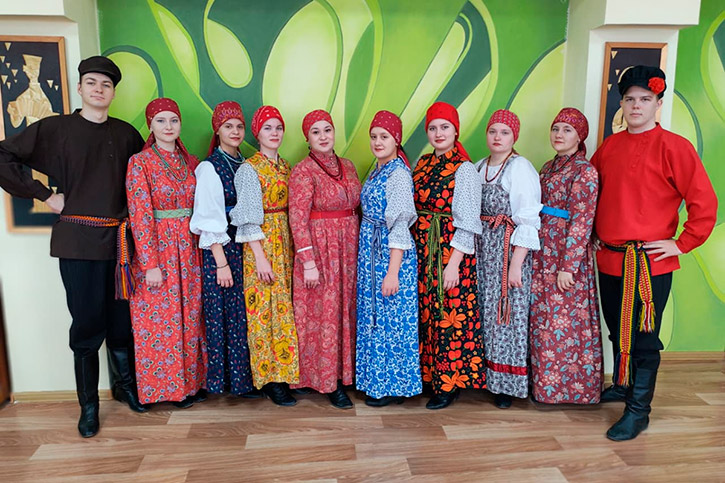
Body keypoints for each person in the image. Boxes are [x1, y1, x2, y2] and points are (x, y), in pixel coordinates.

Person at [0, 56, 147, 438]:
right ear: (80, 88)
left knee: (121, 322)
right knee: (86, 324)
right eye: (92, 83)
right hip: (78, 244)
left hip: (121, 245)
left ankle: (125, 388)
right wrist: (44, 195)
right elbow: (3, 156)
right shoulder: (56, 129)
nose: (99, 89)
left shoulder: (127, 134)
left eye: (106, 84)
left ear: (113, 93)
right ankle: (89, 406)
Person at [592, 66, 717, 441]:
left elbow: (704, 203)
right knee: (617, 329)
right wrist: (593, 232)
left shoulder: (675, 147)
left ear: (658, 103)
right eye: (630, 99)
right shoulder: (609, 147)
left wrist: (681, 243)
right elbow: (591, 194)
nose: (636, 106)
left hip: (648, 264)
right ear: (621, 103)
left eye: (645, 99)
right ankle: (623, 384)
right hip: (610, 259)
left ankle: (638, 411)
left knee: (644, 337)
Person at [126, 98, 207, 408]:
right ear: (150, 125)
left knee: (191, 315)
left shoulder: (192, 162)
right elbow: (140, 214)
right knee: (161, 319)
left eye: (174, 120)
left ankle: (191, 385)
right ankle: (164, 389)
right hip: (159, 248)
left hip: (190, 247)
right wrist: (150, 264)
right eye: (161, 120)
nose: (168, 126)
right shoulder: (140, 162)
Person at [412, 101, 485, 410]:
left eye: (445, 127)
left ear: (456, 131)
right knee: (426, 312)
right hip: (422, 249)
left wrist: (453, 264)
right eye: (432, 128)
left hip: (449, 250)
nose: (438, 133)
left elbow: (468, 221)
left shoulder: (464, 169)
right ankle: (428, 376)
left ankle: (449, 383)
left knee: (448, 314)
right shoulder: (423, 163)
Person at [288, 109, 361, 409]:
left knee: (346, 310)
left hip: (349, 248)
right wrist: (308, 261)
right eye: (315, 132)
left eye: (327, 130)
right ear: (307, 138)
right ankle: (327, 381)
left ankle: (346, 374)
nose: (323, 136)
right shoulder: (303, 170)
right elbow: (297, 218)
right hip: (320, 250)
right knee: (325, 315)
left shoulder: (348, 165)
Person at [529, 107, 602, 405]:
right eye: (555, 128)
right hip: (542, 250)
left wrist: (569, 266)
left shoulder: (585, 171)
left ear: (579, 136)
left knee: (564, 322)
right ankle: (542, 387)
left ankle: (573, 390)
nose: (559, 134)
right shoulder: (548, 167)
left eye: (567, 130)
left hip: (564, 254)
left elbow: (583, 220)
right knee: (543, 318)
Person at [230, 105, 300, 406]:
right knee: (264, 312)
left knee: (284, 310)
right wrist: (259, 257)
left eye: (279, 127)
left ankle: (286, 372)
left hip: (285, 241)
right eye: (268, 128)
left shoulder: (286, 167)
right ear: (257, 133)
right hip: (262, 243)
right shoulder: (250, 169)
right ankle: (270, 379)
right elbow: (247, 218)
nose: (274, 133)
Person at [190, 101, 257, 399]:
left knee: (242, 313)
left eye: (239, 126)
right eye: (228, 126)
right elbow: (208, 217)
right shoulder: (209, 168)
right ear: (217, 130)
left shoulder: (245, 163)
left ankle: (244, 381)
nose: (235, 131)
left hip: (244, 244)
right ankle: (226, 382)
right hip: (222, 247)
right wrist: (220, 262)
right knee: (223, 313)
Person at [475, 109, 541, 409]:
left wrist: (515, 265)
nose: (497, 137)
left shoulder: (520, 168)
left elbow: (527, 218)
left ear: (514, 137)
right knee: (486, 313)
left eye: (504, 132)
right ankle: (487, 377)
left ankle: (507, 385)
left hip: (507, 250)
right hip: (482, 250)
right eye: (493, 131)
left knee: (507, 314)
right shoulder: (479, 167)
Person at [356, 110, 421, 407]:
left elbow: (399, 225)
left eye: (384, 136)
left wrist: (393, 272)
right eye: (373, 136)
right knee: (376, 317)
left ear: (397, 139)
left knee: (391, 319)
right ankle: (375, 381)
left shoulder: (398, 174)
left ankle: (393, 386)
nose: (378, 142)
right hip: (372, 251)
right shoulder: (378, 169)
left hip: (390, 254)